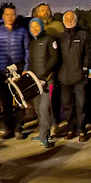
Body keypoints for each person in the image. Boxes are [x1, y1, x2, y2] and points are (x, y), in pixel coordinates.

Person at [0, 3, 29, 139]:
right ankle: (8, 128)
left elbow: (27, 50)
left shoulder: (22, 31)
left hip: (18, 71)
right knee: (5, 102)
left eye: (13, 14)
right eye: (7, 14)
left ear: (16, 15)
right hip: (1, 72)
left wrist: (26, 68)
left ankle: (18, 128)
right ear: (3, 16)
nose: (10, 17)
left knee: (19, 101)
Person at [57, 11, 91, 142]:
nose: (69, 20)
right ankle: (71, 128)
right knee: (67, 106)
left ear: (76, 20)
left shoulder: (84, 35)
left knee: (81, 105)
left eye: (71, 18)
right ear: (63, 21)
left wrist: (85, 67)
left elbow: (89, 53)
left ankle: (82, 130)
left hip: (79, 76)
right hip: (64, 78)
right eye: (66, 19)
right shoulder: (60, 37)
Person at [26, 16, 59, 148]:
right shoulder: (32, 43)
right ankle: (42, 132)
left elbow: (55, 59)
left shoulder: (50, 40)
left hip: (47, 82)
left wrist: (46, 74)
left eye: (37, 26)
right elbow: (32, 62)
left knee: (44, 109)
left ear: (41, 27)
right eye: (32, 27)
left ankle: (45, 137)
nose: (35, 29)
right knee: (39, 110)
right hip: (35, 82)